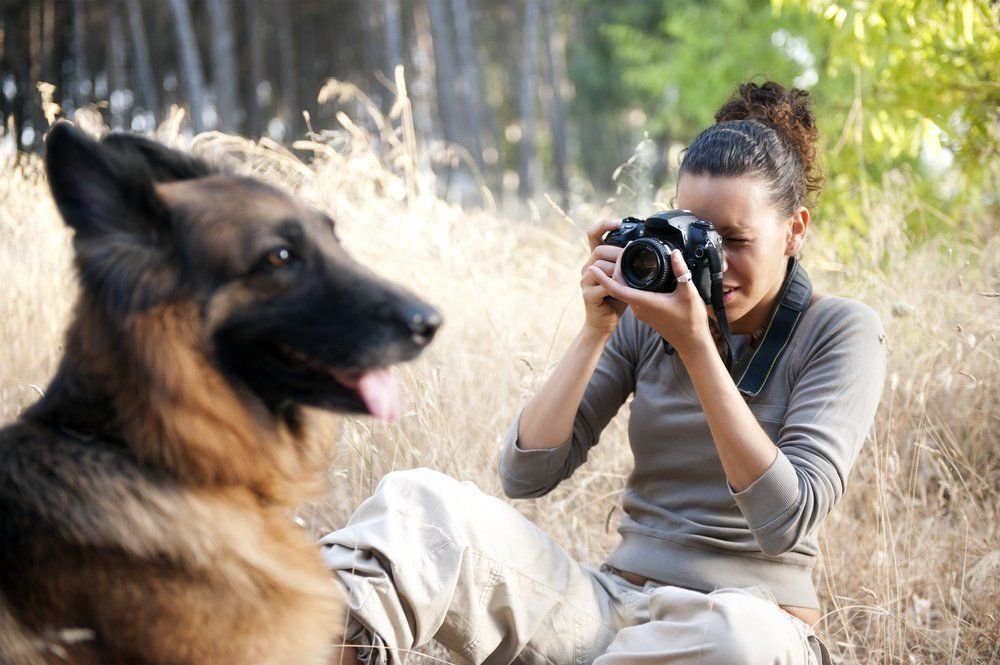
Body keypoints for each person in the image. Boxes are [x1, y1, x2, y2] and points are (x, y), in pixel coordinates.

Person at [320, 80, 886, 665]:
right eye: (698, 237)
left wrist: (697, 348)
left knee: (739, 639)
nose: (714, 263)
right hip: (613, 611)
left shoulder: (841, 332)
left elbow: (784, 520)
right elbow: (526, 474)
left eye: (736, 241)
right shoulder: (647, 318)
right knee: (420, 504)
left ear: (796, 228)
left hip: (744, 628)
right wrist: (598, 327)